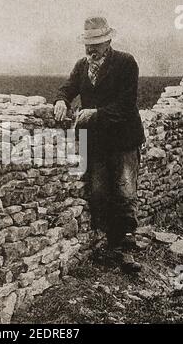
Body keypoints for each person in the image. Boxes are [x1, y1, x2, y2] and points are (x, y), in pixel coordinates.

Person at [54, 16, 146, 273]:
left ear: (108, 42)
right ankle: (107, 245)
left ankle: (125, 249)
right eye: (88, 44)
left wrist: (96, 113)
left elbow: (127, 105)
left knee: (126, 193)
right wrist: (61, 100)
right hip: (96, 143)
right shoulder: (82, 66)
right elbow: (67, 88)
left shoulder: (126, 63)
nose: (91, 49)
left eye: (96, 44)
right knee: (99, 192)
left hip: (124, 139)